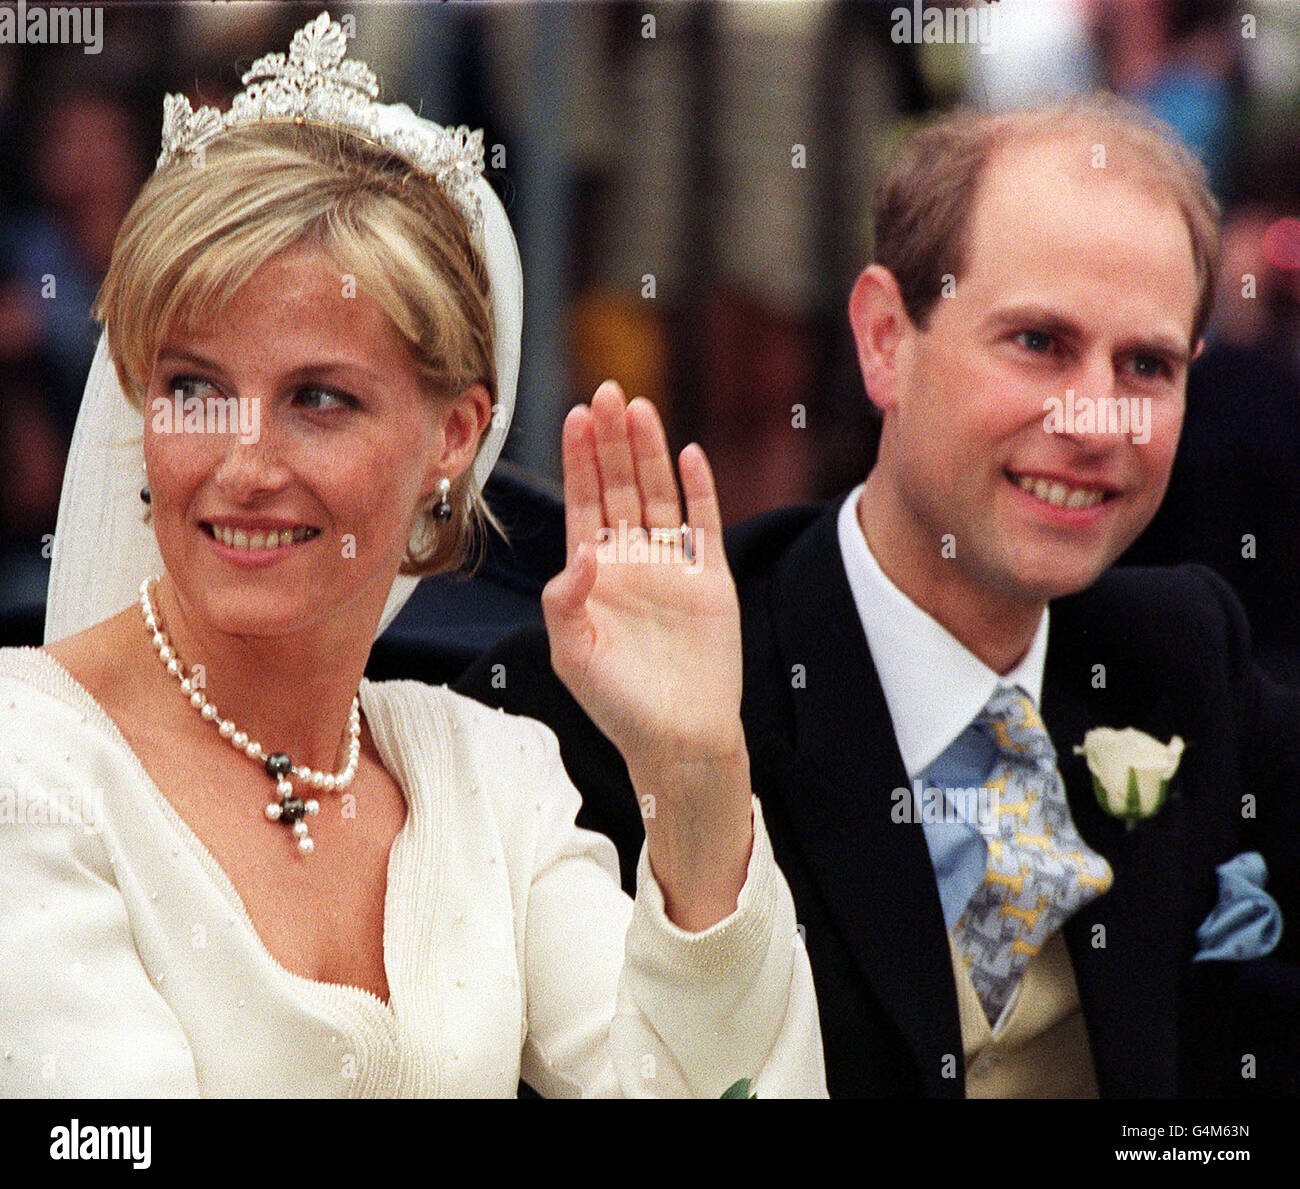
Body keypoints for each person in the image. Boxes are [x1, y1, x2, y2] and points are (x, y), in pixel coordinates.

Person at [0, 13, 825, 1098]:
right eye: (194, 387)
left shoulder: (491, 773)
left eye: (319, 399)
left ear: (453, 434)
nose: (242, 465)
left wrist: (694, 769)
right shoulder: (32, 763)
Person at [458, 94, 1300, 1098]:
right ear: (882, 339)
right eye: (1036, 342)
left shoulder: (1183, 656)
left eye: (1146, 366)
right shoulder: (595, 713)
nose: (1094, 419)